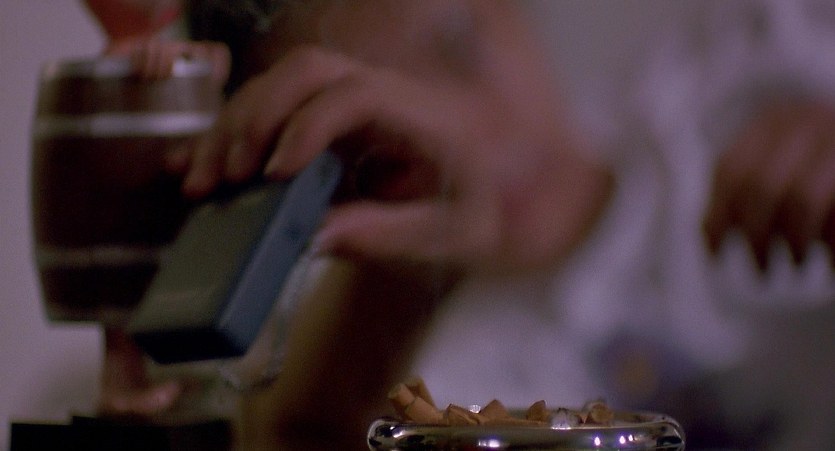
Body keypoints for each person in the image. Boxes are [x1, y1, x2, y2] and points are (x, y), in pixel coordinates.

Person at [165, 1, 613, 449]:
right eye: (382, 139)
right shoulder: (397, 373)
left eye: (457, 46)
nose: (460, 134)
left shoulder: (659, 123)